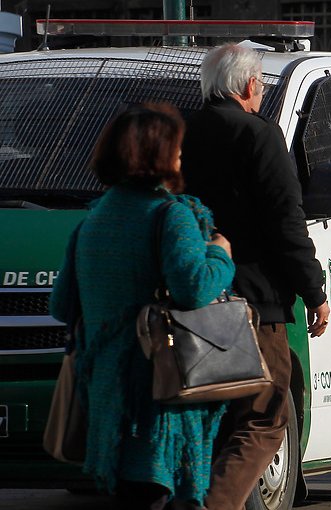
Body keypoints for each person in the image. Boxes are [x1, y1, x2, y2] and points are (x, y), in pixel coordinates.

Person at [49, 103, 235, 509]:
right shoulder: (171, 216)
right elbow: (194, 288)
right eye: (177, 147)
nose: (182, 155)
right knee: (160, 491)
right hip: (157, 396)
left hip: (105, 396)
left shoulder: (91, 222)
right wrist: (220, 254)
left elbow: (62, 304)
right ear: (158, 154)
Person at [180, 43, 330, 509]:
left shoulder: (180, 133)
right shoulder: (259, 136)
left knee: (217, 418)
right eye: (261, 85)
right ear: (249, 86)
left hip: (194, 297)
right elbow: (287, 221)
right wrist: (314, 291)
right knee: (266, 415)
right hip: (254, 304)